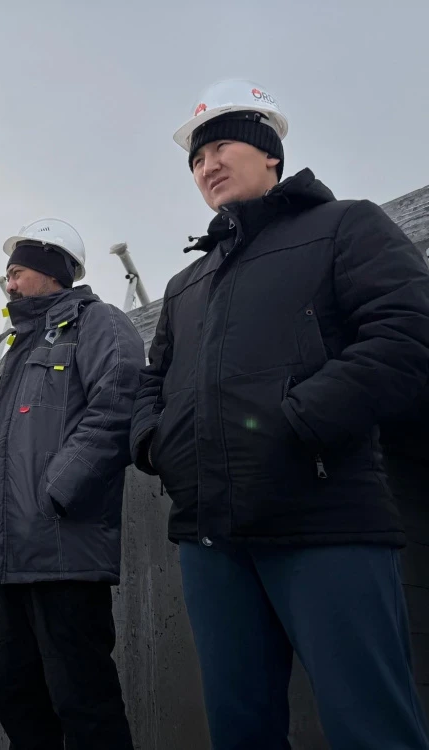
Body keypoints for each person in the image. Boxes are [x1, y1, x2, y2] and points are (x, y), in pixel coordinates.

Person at [130, 79, 429, 748]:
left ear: (270, 153)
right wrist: (154, 444)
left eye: (221, 147)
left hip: (326, 520)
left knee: (370, 726)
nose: (206, 166)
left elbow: (407, 333)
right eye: (195, 159)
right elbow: (152, 380)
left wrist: (300, 420)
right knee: (239, 730)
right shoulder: (187, 283)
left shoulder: (345, 225)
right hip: (210, 537)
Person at [0, 219, 143, 750]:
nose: (9, 284)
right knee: (12, 688)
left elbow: (119, 402)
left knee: (82, 697)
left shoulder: (98, 322)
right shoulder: (17, 346)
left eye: (17, 273)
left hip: (64, 547)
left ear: (53, 271)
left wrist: (55, 490)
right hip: (10, 550)